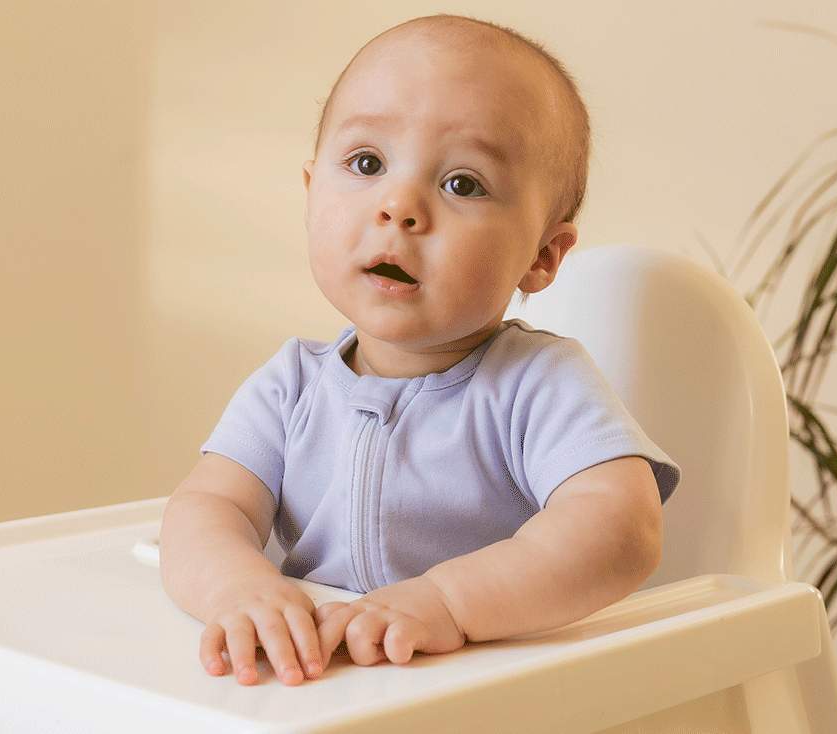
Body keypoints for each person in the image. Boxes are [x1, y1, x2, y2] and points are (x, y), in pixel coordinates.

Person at [158, 14, 679, 687]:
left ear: (543, 256)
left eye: (463, 184)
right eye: (367, 163)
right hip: (317, 688)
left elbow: (620, 528)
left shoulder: (538, 386)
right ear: (312, 194)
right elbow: (207, 510)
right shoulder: (289, 387)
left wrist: (450, 602)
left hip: (480, 694)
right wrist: (238, 589)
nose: (399, 205)